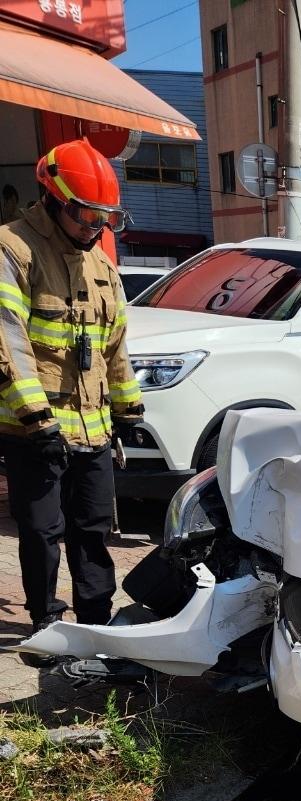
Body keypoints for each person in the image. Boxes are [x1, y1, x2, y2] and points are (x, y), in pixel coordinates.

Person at [0, 138, 144, 668]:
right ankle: (45, 621)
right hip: (31, 429)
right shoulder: (11, 249)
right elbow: (8, 344)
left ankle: (96, 622)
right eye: (86, 215)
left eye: (106, 218)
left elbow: (115, 347)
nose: (95, 228)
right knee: (42, 532)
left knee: (92, 529)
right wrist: (38, 422)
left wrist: (128, 412)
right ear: (54, 200)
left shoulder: (100, 264)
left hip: (93, 428)